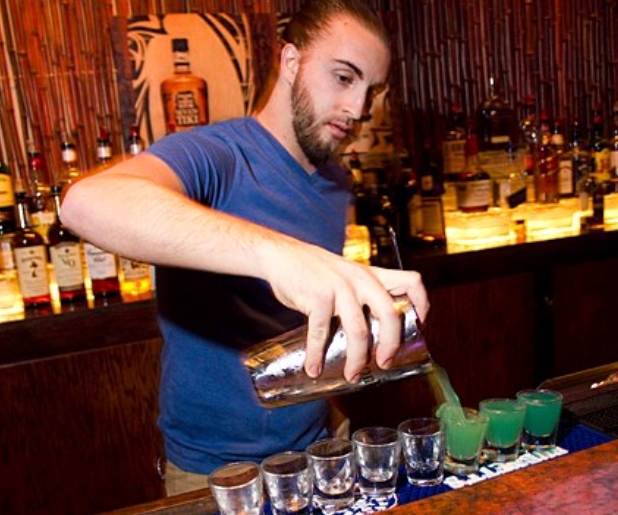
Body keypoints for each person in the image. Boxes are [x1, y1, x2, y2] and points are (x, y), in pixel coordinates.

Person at [60, 0, 428, 496]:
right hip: (222, 472)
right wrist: (279, 254)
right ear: (292, 61)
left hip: (320, 442)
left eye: (372, 91)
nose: (358, 110)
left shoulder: (336, 180)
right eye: (344, 78)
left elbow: (291, 317)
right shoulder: (218, 154)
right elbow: (86, 203)